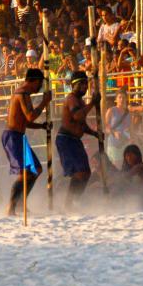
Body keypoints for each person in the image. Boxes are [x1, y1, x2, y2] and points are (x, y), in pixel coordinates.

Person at [1, 68, 52, 216]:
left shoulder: (24, 94)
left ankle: (20, 203)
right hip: (12, 137)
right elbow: (30, 117)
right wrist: (44, 102)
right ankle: (11, 206)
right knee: (25, 173)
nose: (40, 87)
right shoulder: (22, 93)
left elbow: (24, 121)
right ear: (35, 81)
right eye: (40, 83)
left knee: (36, 170)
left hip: (18, 136)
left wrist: (41, 126)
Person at [55, 71, 101, 208]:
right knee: (79, 172)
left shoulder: (80, 101)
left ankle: (74, 200)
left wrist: (93, 133)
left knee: (86, 173)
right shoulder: (71, 99)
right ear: (74, 85)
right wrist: (93, 102)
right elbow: (77, 117)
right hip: (66, 140)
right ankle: (68, 203)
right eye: (82, 84)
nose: (85, 87)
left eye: (86, 84)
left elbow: (81, 124)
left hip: (75, 140)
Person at [105, 90, 131, 164]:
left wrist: (132, 139)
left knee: (125, 165)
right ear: (116, 99)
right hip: (114, 143)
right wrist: (114, 133)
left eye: (123, 97)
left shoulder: (128, 112)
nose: (121, 99)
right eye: (119, 97)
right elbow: (106, 128)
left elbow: (131, 128)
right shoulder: (110, 111)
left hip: (125, 142)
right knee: (116, 165)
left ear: (126, 99)